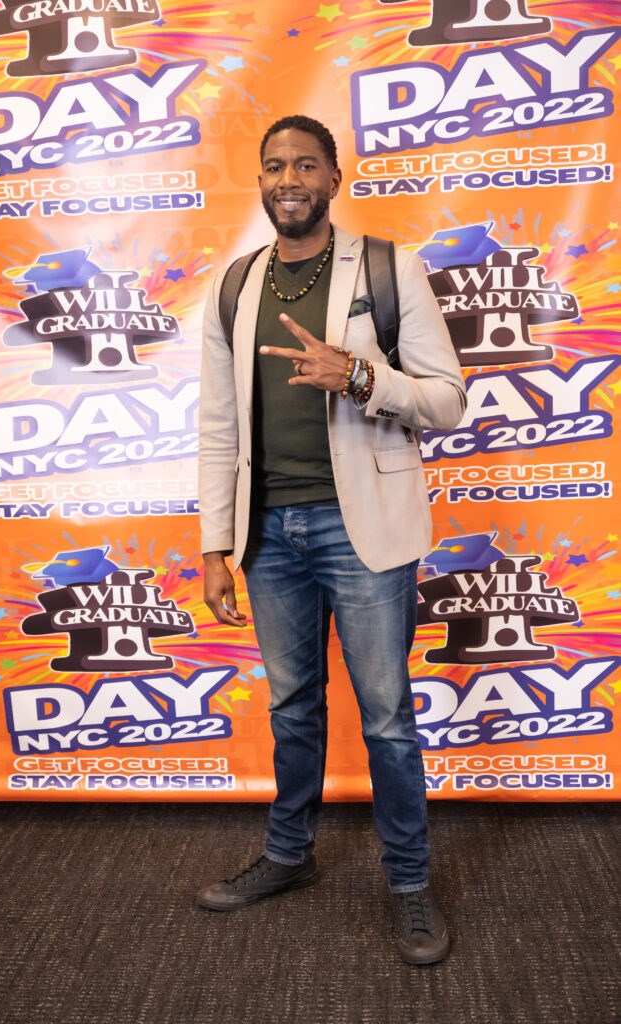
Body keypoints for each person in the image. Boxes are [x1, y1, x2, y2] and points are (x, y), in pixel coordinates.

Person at [196, 115, 466, 965]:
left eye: (304, 164)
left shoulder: (387, 268)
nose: (288, 178)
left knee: (386, 719)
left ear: (333, 178)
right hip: (268, 533)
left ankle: (411, 885)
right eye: (274, 165)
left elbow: (447, 400)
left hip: (364, 535)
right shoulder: (234, 285)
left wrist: (358, 376)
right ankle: (287, 856)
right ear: (261, 179)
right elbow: (216, 425)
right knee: (290, 707)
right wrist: (216, 542)